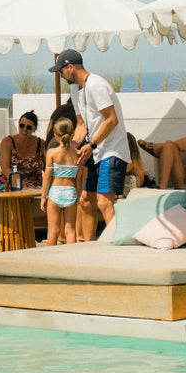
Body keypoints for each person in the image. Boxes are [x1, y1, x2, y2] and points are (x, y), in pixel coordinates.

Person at [48, 49, 130, 241]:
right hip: (96, 150)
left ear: (70, 67)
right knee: (85, 200)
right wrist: (70, 148)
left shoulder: (96, 85)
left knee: (104, 202)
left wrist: (91, 145)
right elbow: (82, 125)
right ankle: (91, 246)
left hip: (112, 150)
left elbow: (111, 120)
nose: (60, 76)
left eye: (61, 71)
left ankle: (123, 245)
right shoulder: (75, 90)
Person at [40, 117, 84, 245]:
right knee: (70, 230)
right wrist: (79, 196)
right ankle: (70, 259)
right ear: (73, 134)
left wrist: (44, 196)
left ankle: (50, 260)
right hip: (71, 192)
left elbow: (47, 176)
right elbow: (79, 180)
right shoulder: (77, 154)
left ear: (55, 135)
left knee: (53, 231)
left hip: (55, 192)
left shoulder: (52, 153)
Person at [0, 111, 45, 188]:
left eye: (29, 127)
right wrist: (18, 181)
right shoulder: (8, 142)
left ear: (34, 129)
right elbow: (5, 168)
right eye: (22, 125)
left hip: (36, 185)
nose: (24, 129)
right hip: (12, 182)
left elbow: (47, 168)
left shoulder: (41, 144)